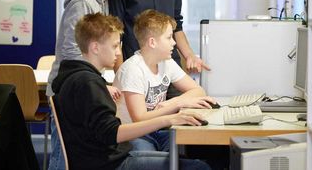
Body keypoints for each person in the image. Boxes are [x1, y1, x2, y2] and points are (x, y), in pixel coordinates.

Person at [52, 13, 211, 170]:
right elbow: (112, 133)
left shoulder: (80, 78)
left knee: (182, 157)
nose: (119, 52)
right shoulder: (89, 83)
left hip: (108, 157)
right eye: (114, 46)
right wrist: (169, 119)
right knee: (198, 167)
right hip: (109, 163)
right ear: (95, 48)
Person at [47, 0, 136, 170]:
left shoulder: (99, 4)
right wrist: (99, 85)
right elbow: (71, 51)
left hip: (81, 88)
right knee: (63, 159)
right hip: (69, 92)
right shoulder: (83, 4)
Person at [114, 9, 217, 152]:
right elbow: (140, 118)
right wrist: (177, 105)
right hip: (135, 136)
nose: (174, 43)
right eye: (169, 37)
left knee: (193, 150)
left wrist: (172, 103)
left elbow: (198, 91)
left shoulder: (165, 62)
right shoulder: (132, 69)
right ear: (152, 42)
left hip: (157, 130)